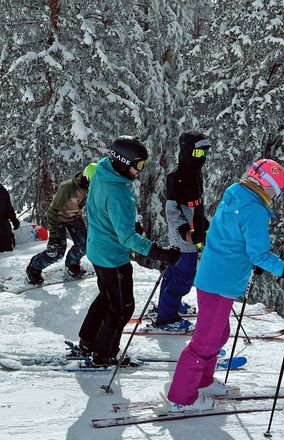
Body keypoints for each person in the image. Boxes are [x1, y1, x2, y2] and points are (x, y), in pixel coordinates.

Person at [163, 159, 284, 412]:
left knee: (218, 336)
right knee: (204, 342)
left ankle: (203, 382)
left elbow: (229, 236)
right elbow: (259, 253)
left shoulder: (235, 195)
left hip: (214, 278)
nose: (274, 197)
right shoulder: (254, 210)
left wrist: (249, 258)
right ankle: (181, 398)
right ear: (267, 186)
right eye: (275, 191)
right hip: (221, 282)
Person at [75, 136, 182, 366]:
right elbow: (127, 238)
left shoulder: (101, 171)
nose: (140, 171)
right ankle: (104, 354)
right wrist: (159, 252)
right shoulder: (118, 192)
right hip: (112, 257)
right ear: (123, 162)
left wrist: (127, 223)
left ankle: (88, 340)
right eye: (138, 165)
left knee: (107, 297)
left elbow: (102, 211)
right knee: (122, 307)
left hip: (97, 249)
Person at [155, 131, 212, 332]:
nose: (202, 159)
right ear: (188, 152)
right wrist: (186, 232)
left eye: (205, 154)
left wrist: (202, 222)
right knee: (184, 275)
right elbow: (172, 211)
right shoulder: (176, 178)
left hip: (193, 231)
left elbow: (197, 205)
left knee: (175, 271)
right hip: (181, 234)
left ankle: (168, 304)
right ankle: (166, 317)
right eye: (198, 154)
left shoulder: (196, 175)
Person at [26, 163, 97, 284]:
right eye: (94, 182)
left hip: (74, 217)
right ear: (87, 178)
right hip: (58, 218)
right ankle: (33, 268)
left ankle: (72, 265)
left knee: (84, 246)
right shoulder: (68, 187)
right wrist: (54, 237)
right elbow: (52, 212)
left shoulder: (92, 188)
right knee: (56, 252)